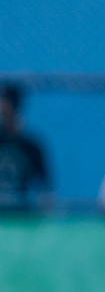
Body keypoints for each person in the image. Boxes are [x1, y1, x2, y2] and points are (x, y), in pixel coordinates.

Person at [0, 83, 51, 212]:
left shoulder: (31, 147)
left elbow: (45, 185)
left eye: (6, 111)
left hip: (20, 212)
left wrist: (41, 208)